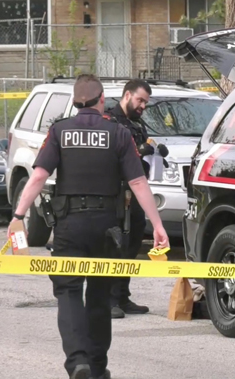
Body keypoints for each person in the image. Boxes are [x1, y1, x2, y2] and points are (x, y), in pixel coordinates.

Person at [7, 74, 169, 379]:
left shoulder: (59, 131)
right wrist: (157, 225)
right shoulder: (118, 133)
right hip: (107, 228)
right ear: (101, 99)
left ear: (74, 100)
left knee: (68, 292)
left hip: (69, 225)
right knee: (99, 294)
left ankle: (77, 362)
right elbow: (137, 182)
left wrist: (18, 216)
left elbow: (39, 176)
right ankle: (97, 367)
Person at [103, 79, 167, 319]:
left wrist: (155, 153)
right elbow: (111, 156)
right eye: (140, 100)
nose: (143, 106)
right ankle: (108, 298)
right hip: (115, 192)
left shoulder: (137, 124)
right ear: (127, 95)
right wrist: (138, 151)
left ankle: (122, 295)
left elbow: (140, 157)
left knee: (133, 241)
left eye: (146, 103)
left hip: (136, 191)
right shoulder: (109, 120)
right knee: (115, 243)